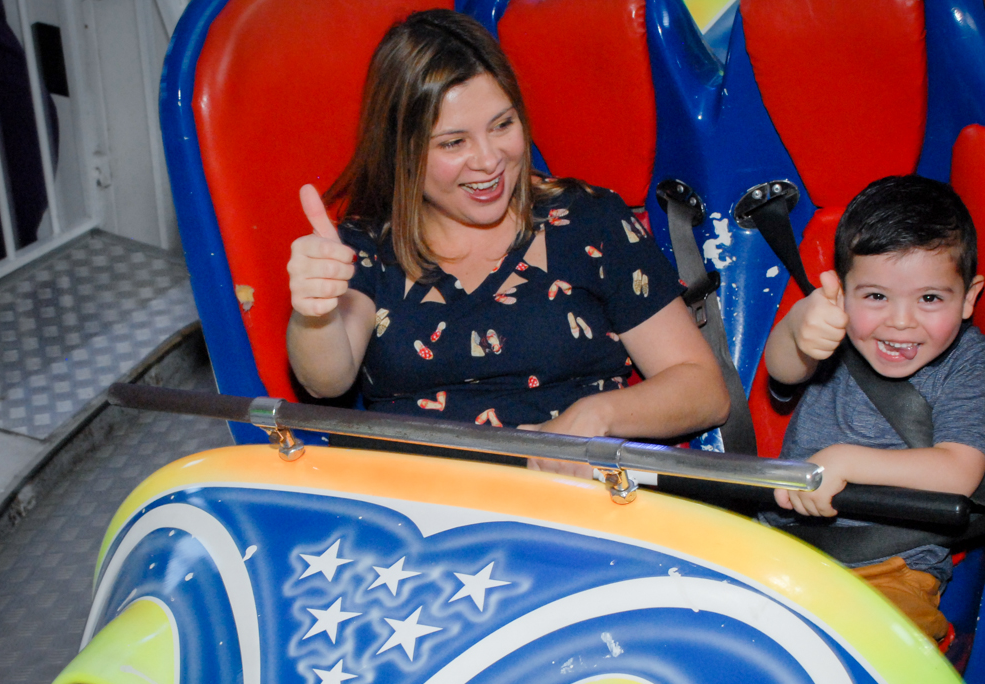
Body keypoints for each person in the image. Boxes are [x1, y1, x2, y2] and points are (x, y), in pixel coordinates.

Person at [286, 9, 729, 476]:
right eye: (453, 143)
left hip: (575, 509)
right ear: (401, 151)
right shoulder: (366, 247)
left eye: (502, 125)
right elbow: (325, 382)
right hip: (415, 512)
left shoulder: (588, 221)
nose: (489, 159)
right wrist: (313, 312)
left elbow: (704, 392)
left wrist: (596, 417)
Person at [760, 175, 985, 641]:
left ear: (969, 298)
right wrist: (798, 326)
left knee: (880, 651)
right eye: (876, 296)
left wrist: (845, 461)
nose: (901, 321)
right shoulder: (834, 331)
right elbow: (783, 369)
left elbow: (959, 470)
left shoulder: (969, 358)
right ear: (842, 293)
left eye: (930, 298)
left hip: (893, 568)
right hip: (782, 547)